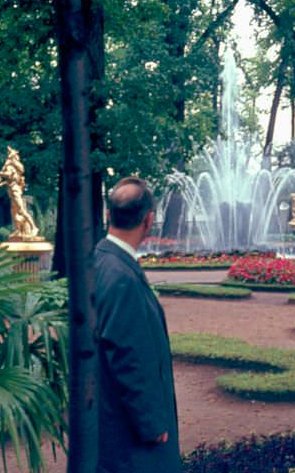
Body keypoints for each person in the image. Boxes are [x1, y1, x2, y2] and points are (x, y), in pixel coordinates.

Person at [93, 177, 181, 473]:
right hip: (130, 434)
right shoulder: (120, 275)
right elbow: (127, 355)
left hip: (112, 416)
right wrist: (152, 423)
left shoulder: (104, 259)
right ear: (149, 220)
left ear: (109, 215)